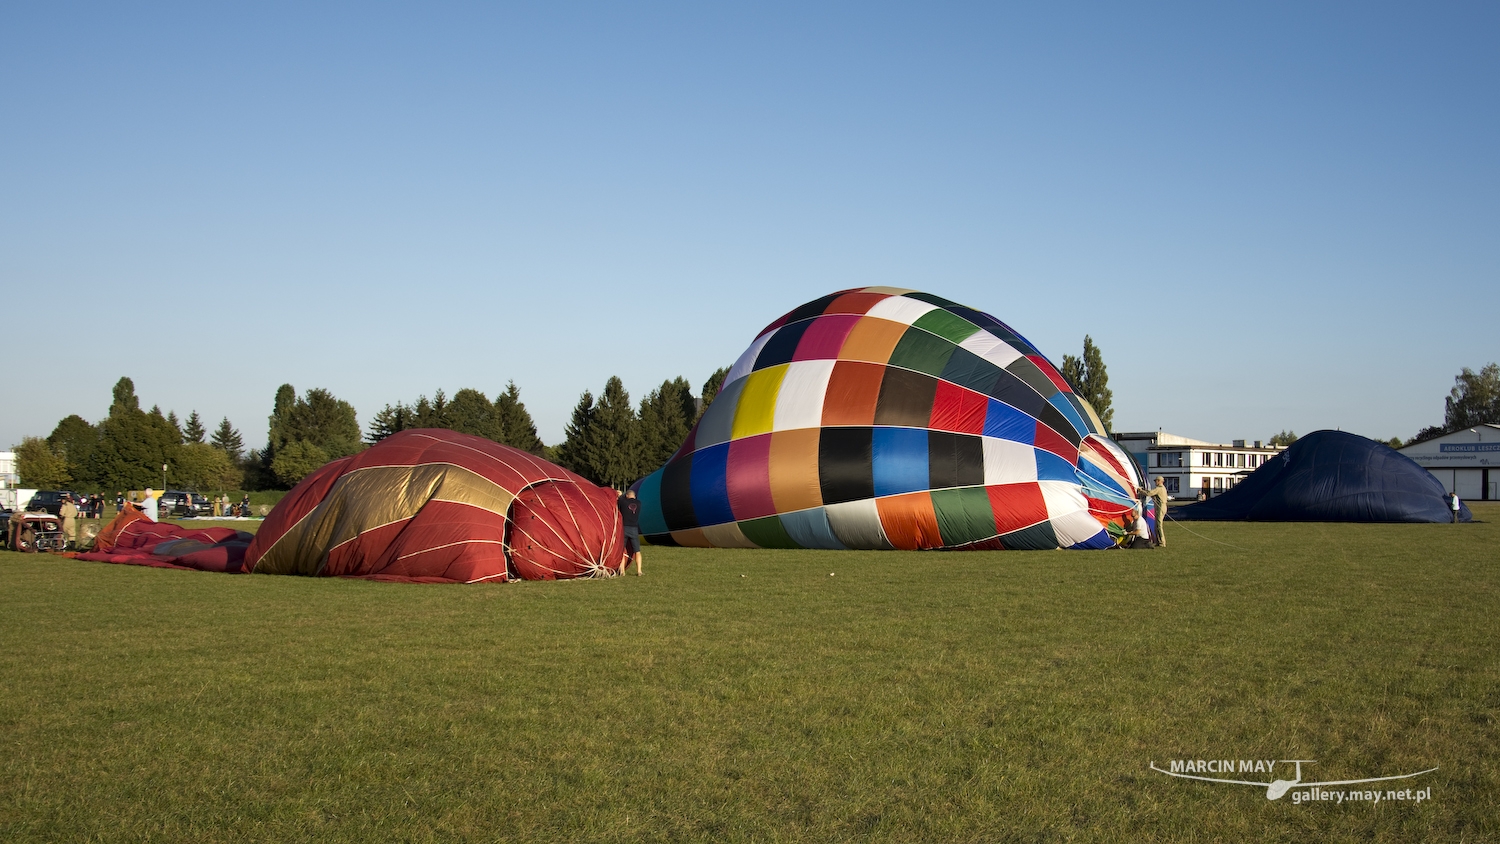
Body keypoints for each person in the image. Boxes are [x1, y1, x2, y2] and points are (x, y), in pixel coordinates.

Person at [618, 489, 643, 576]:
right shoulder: (639, 503)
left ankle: (622, 571)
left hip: (624, 528)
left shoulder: (623, 502)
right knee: (637, 551)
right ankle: (639, 570)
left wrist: (621, 494)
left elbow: (619, 500)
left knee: (621, 550)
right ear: (634, 496)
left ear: (627, 496)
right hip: (634, 529)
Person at [1140, 477, 1169, 547]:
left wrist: (1141, 491)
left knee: (1159, 525)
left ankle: (1162, 542)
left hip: (1160, 507)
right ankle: (1158, 542)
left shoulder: (1159, 488)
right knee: (1157, 525)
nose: (1155, 482)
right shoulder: (1163, 488)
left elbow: (1149, 493)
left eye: (1156, 481)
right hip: (1163, 506)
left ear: (1159, 481)